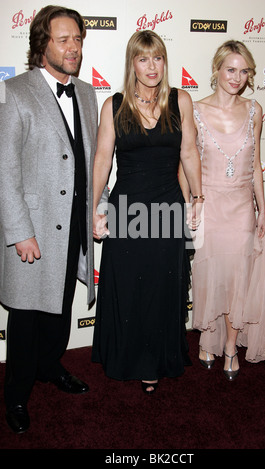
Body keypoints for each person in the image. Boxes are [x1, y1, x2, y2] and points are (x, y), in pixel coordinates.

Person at [0, 5, 107, 433]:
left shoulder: (85, 92)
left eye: (78, 39)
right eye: (64, 40)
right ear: (41, 44)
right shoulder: (14, 91)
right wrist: (19, 231)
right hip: (34, 229)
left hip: (72, 227)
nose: (74, 47)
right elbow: (5, 170)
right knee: (26, 318)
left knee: (60, 307)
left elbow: (88, 160)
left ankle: (51, 366)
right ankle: (16, 396)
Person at [92, 30, 203, 395]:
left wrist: (197, 196)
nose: (151, 66)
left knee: (161, 288)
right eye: (143, 58)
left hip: (169, 208)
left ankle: (154, 361)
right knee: (128, 287)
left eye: (157, 58)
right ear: (132, 64)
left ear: (164, 62)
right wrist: (94, 208)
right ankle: (127, 357)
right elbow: (102, 161)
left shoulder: (180, 100)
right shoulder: (114, 105)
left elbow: (188, 153)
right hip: (128, 211)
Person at [180, 40, 265, 381]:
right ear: (217, 69)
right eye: (231, 69)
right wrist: (189, 203)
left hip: (241, 205)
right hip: (207, 202)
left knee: (239, 276)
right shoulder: (194, 109)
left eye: (244, 71)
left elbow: (254, 166)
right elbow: (185, 162)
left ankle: (230, 346)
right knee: (211, 276)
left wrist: (263, 211)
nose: (237, 77)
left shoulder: (254, 110)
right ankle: (208, 336)